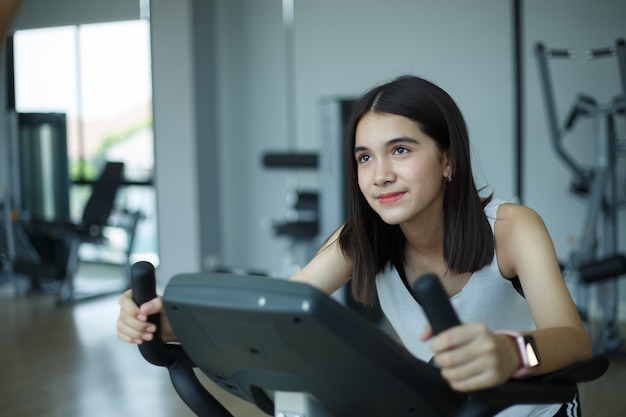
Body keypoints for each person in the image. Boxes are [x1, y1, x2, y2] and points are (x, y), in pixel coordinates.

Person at [117, 75, 592, 417]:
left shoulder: (511, 228)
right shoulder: (362, 239)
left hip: (531, 409)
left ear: (448, 159)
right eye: (365, 157)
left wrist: (512, 354)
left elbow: (573, 341)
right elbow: (274, 312)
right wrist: (163, 322)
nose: (380, 174)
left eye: (401, 150)